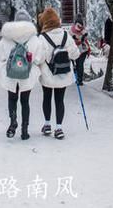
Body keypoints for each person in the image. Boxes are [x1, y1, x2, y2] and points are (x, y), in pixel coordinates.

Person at [34, 7, 81, 140]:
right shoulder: (66, 36)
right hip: (63, 74)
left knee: (47, 98)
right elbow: (76, 54)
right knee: (60, 100)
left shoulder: (42, 38)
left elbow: (39, 58)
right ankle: (59, 128)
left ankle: (47, 124)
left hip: (47, 75)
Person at [0, 9, 41, 140]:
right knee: (25, 101)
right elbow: (38, 59)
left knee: (12, 99)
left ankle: (13, 122)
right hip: (27, 75)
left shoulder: (6, 37)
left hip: (10, 75)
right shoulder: (34, 39)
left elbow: (1, 57)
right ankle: (24, 130)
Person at [70, 16, 91, 85]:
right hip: (77, 49)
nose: (80, 27)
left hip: (82, 50)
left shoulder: (82, 30)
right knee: (77, 65)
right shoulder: (72, 31)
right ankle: (78, 79)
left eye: (81, 25)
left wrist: (82, 38)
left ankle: (79, 79)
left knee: (79, 64)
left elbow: (86, 37)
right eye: (79, 25)